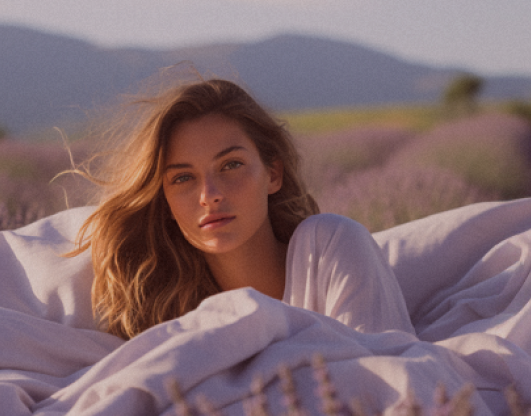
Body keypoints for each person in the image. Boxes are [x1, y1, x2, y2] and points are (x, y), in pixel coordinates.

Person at [70, 77, 415, 339]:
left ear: (273, 173)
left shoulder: (327, 245)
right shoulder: (171, 317)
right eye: (183, 179)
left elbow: (382, 375)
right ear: (165, 204)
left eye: (231, 165)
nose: (210, 195)